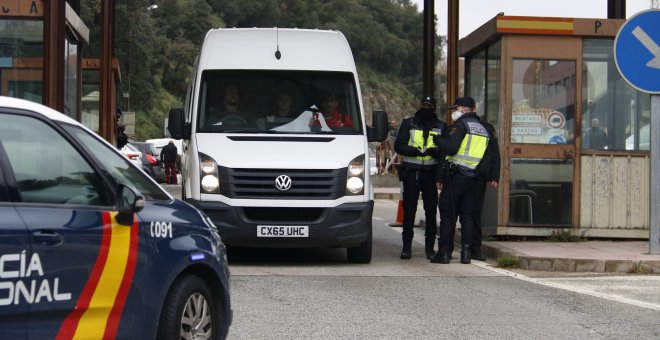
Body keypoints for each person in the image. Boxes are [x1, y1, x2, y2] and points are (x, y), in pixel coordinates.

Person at [430, 97, 490, 264]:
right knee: (467, 216)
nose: (454, 113)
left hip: (457, 176)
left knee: (448, 214)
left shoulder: (461, 126)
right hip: (474, 178)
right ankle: (466, 253)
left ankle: (444, 253)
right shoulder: (483, 129)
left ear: (464, 110)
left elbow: (451, 148)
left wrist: (438, 140)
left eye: (456, 109)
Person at [393, 96, 446, 260]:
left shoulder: (441, 126)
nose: (426, 107)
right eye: (424, 104)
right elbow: (398, 146)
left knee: (431, 212)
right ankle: (406, 248)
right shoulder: (409, 123)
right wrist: (414, 150)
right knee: (409, 211)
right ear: (420, 105)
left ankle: (429, 249)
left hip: (430, 173)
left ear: (434, 107)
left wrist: (435, 151)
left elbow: (445, 151)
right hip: (412, 172)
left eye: (430, 105)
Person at [471, 114, 501, 261]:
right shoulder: (456, 128)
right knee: (455, 214)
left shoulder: (487, 129)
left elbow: (494, 153)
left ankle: (474, 249)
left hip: (477, 177)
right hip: (458, 177)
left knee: (474, 214)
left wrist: (494, 175)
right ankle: (449, 250)